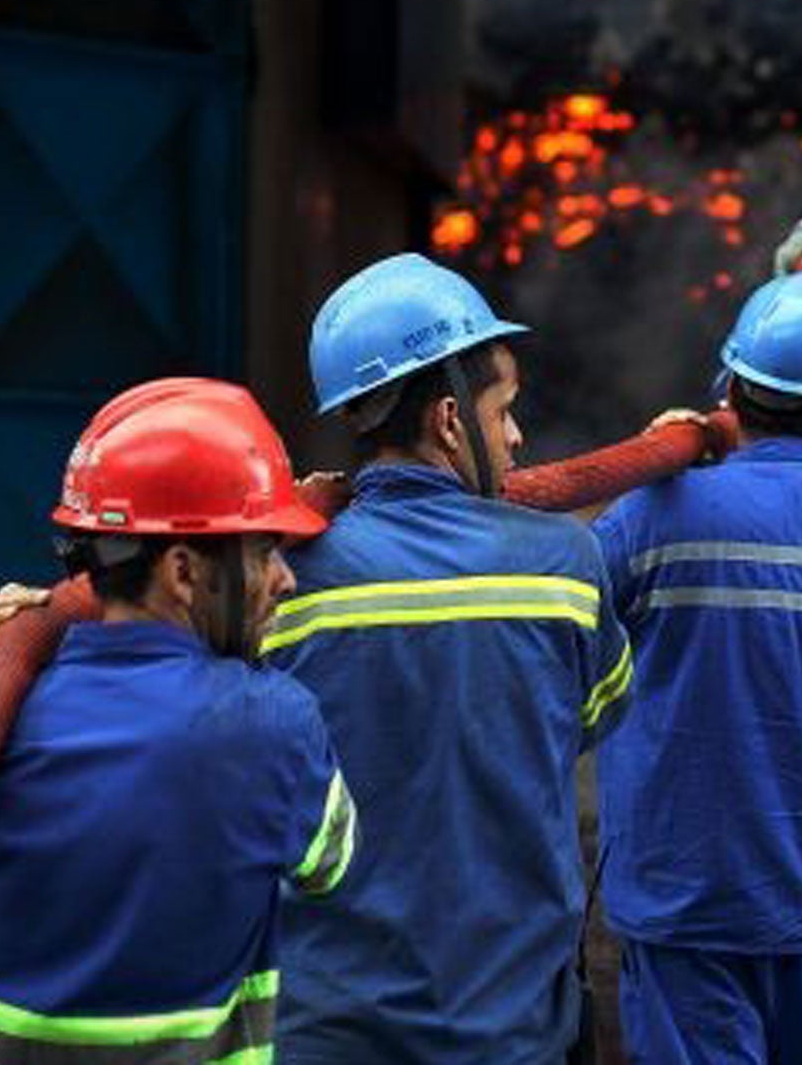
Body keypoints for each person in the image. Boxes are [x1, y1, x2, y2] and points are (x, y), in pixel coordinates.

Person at [0, 378, 358, 1065]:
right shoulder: (273, 721)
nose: (286, 579)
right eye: (264, 552)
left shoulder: (4, 699)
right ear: (182, 570)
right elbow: (329, 864)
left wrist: (26, 651)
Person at [268, 253, 633, 1065]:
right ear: (446, 419)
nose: (516, 436)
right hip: (514, 1028)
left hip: (330, 1030)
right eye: (503, 410)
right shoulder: (563, 568)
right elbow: (596, 712)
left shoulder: (282, 581)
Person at [594, 269, 802, 1064]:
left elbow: (576, 603)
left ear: (732, 386)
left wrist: (663, 457)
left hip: (688, 912)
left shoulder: (656, 514)